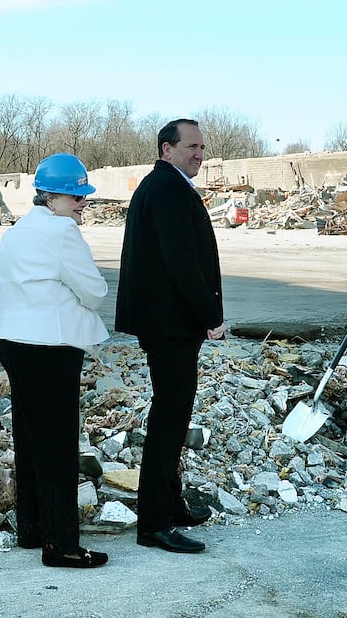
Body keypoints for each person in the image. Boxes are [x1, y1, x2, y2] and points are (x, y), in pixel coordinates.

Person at [0, 153, 110, 568]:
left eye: (83, 197)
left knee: (29, 438)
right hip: (50, 347)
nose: (80, 203)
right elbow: (95, 291)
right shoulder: (62, 233)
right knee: (57, 444)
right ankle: (63, 546)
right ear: (48, 196)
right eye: (72, 195)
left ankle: (33, 528)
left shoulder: (17, 231)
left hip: (11, 340)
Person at [115, 119, 224, 555]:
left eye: (202, 147)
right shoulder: (167, 190)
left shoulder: (163, 186)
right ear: (167, 149)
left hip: (166, 323)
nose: (200, 154)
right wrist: (210, 315)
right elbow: (182, 263)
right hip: (170, 325)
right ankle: (155, 523)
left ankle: (171, 505)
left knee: (174, 415)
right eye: (192, 146)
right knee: (168, 418)